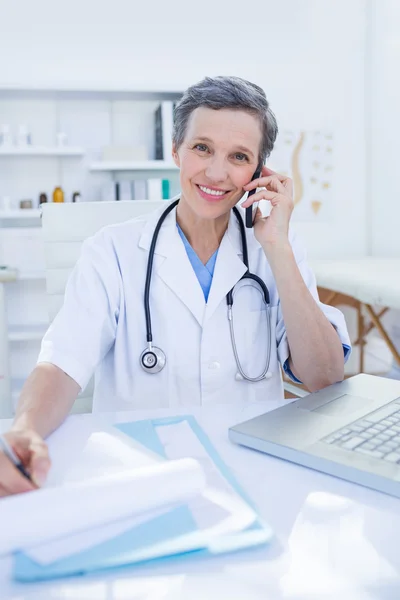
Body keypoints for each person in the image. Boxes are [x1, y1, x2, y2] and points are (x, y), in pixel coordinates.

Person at [0, 75, 350, 496]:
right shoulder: (112, 250)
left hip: (253, 473)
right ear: (176, 151)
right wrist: (25, 430)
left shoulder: (276, 248)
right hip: (139, 474)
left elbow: (325, 378)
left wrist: (276, 248)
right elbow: (62, 362)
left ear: (259, 172)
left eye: (238, 157)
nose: (216, 172)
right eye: (202, 148)